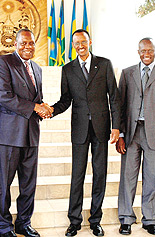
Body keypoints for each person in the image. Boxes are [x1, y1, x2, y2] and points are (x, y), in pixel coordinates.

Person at [51, 29, 121, 236]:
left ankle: (95, 220)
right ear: (72, 45)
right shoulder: (68, 69)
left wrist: (116, 127)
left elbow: (114, 98)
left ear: (90, 42)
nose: (80, 46)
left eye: (83, 42)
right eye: (75, 43)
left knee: (100, 175)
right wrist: (51, 110)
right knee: (77, 176)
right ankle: (74, 221)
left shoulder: (105, 64)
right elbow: (65, 100)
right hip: (80, 129)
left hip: (101, 128)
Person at [0, 29, 52, 237]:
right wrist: (36, 108)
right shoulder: (3, 63)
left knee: (28, 184)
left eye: (32, 43)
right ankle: (4, 227)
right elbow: (5, 97)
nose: (28, 47)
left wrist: (44, 107)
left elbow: (36, 98)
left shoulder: (36, 68)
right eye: (24, 43)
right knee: (3, 185)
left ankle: (23, 223)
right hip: (9, 135)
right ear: (15, 44)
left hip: (31, 134)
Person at [116, 37, 155, 235]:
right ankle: (126, 219)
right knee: (127, 177)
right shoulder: (126, 73)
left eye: (149, 50)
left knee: (152, 178)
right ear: (138, 51)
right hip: (132, 134)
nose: (146, 54)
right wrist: (121, 134)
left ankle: (150, 220)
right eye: (143, 51)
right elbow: (120, 106)